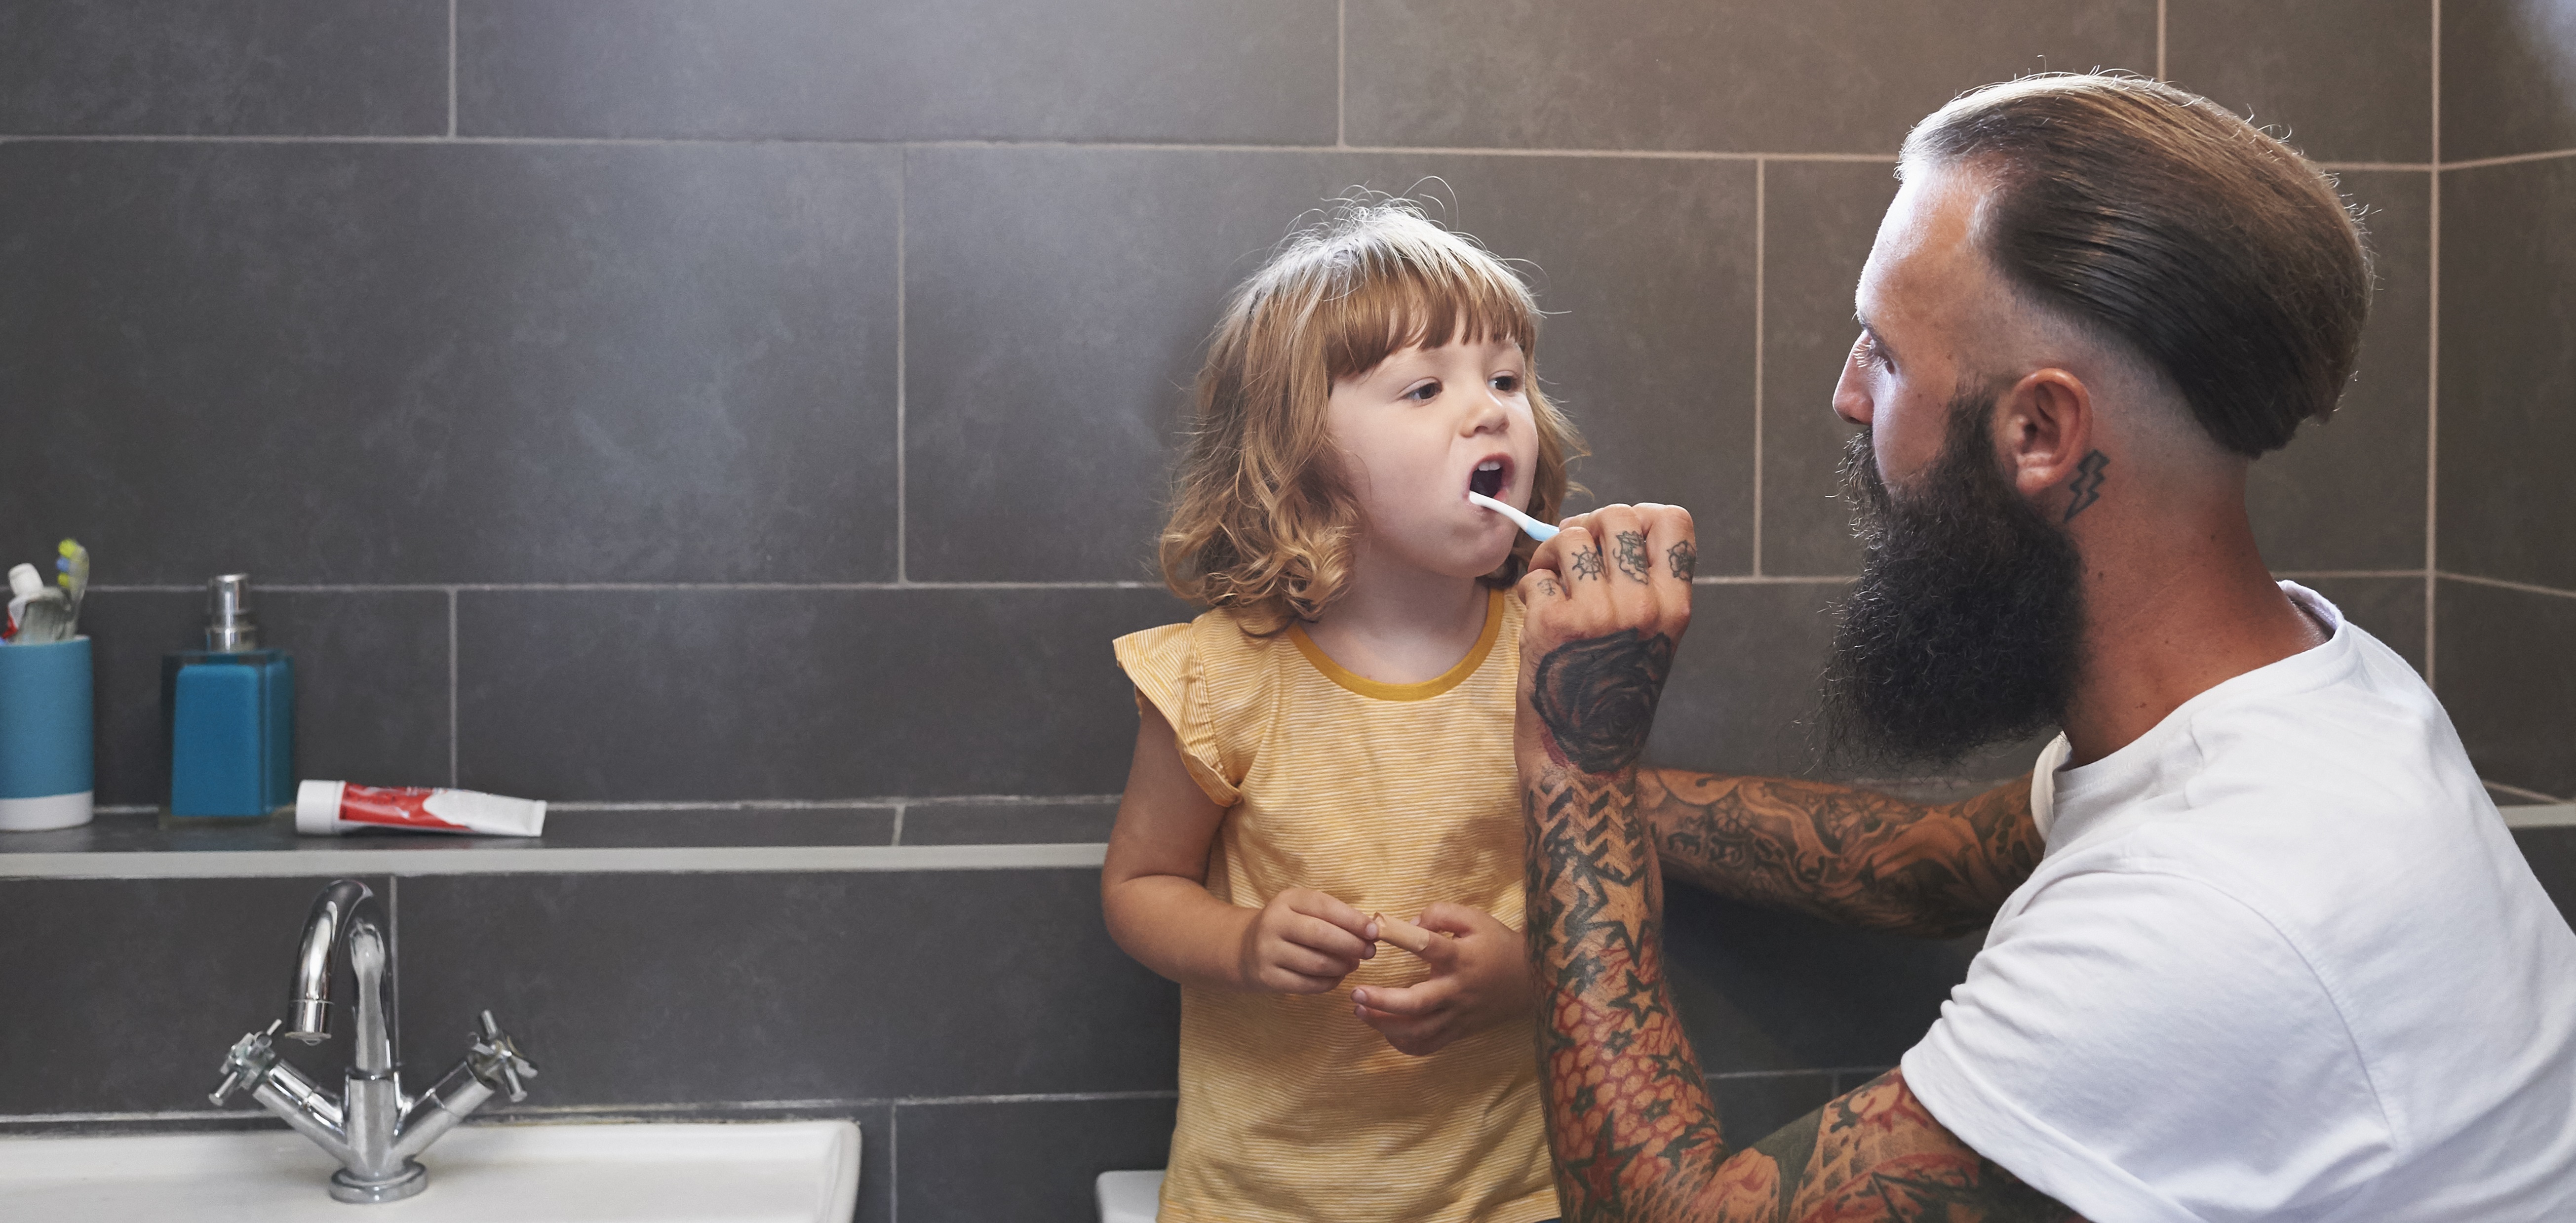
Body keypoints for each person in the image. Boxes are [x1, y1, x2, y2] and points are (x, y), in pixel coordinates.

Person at [1512, 74, 2576, 1222]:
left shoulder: (2207, 910)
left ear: (2037, 430)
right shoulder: (2301, 686)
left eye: (1884, 354)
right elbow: (1926, 862)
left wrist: (1572, 768)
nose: (1845, 397)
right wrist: (1575, 782)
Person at [1101, 198, 1582, 1223]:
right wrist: (1239, 945)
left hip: (1508, 1193)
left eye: (1505, 378)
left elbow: (1620, 904)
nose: (1490, 409)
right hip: (1262, 1197)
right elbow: (1140, 885)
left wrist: (1527, 972)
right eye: (1423, 387)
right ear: (1299, 455)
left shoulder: (1556, 665)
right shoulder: (1223, 678)